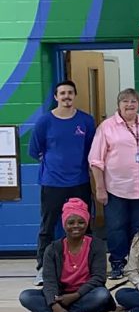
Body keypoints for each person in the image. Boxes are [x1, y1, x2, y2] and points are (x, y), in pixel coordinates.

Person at [88, 88, 139, 279]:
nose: (129, 104)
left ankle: (138, 262)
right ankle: (117, 263)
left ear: (138, 104)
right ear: (118, 105)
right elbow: (95, 160)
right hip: (116, 187)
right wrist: (99, 188)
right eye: (125, 101)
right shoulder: (106, 127)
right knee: (116, 227)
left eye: (133, 101)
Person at [29, 80, 96, 286]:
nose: (66, 96)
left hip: (79, 182)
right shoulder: (44, 121)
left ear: (74, 95)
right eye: (62, 93)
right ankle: (42, 268)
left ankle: (89, 268)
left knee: (85, 226)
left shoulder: (86, 121)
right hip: (52, 184)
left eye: (70, 93)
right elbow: (34, 150)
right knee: (47, 227)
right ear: (56, 97)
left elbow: (91, 151)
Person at [19, 198, 114, 312]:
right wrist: (54, 305)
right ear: (64, 224)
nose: (76, 226)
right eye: (71, 222)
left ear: (87, 223)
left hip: (84, 294)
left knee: (101, 295)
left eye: (81, 222)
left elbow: (98, 278)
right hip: (59, 295)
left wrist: (75, 296)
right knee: (26, 296)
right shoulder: (52, 249)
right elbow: (49, 282)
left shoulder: (96, 245)